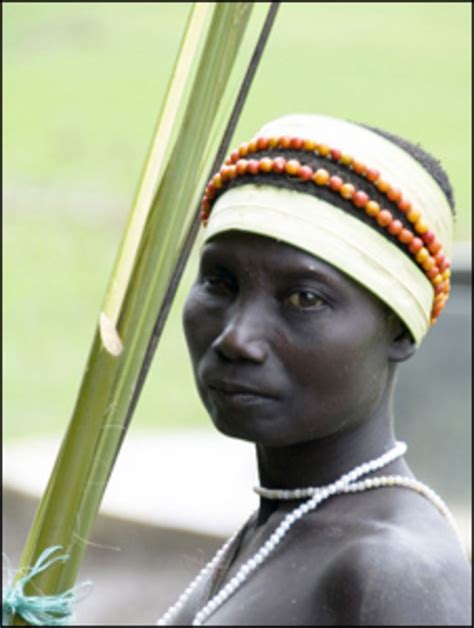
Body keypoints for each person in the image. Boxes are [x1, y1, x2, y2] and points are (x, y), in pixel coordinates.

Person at [157, 114, 471, 626]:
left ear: (399, 331)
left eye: (304, 298)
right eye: (220, 281)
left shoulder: (390, 572)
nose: (236, 337)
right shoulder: (283, 525)